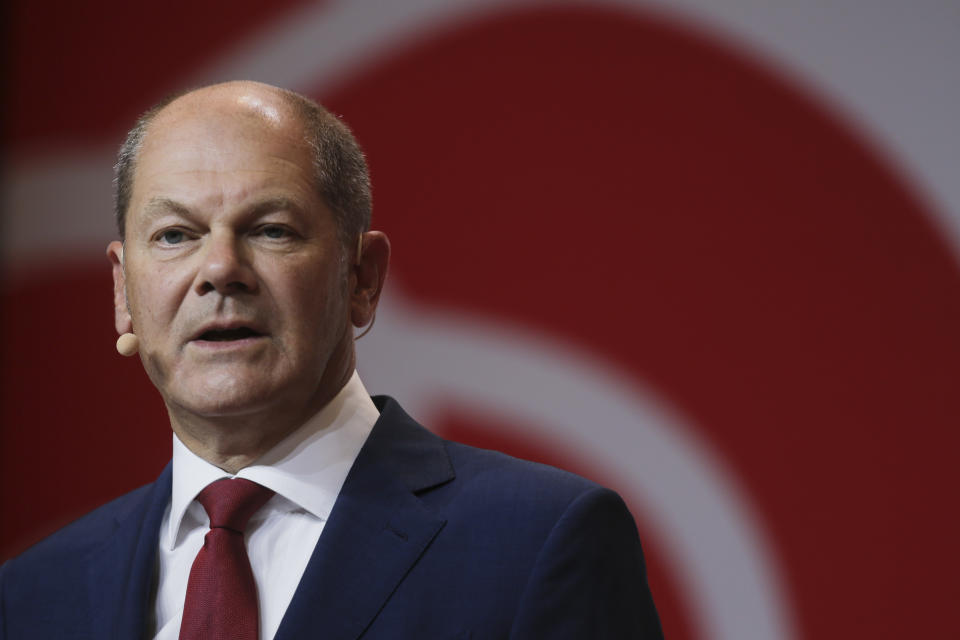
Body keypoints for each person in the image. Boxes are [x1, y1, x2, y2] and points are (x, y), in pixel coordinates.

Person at [0, 81, 663, 639]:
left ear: (362, 277)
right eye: (176, 235)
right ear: (123, 293)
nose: (220, 270)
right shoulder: (31, 597)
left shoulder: (539, 543)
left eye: (271, 230)